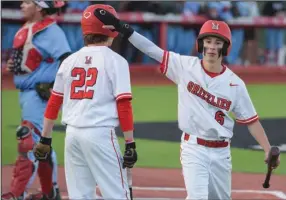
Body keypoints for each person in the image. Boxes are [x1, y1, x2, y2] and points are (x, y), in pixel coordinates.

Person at [94, 9, 281, 199]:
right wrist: (124, 29)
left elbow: (251, 120)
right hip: (194, 148)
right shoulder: (184, 66)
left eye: (217, 43)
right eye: (208, 41)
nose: (212, 47)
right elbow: (152, 50)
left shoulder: (235, 83)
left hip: (222, 152)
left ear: (225, 48)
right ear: (201, 44)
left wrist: (267, 149)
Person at [33, 4, 138, 200]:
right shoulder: (116, 61)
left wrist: (45, 139)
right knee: (118, 195)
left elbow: (54, 102)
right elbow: (123, 105)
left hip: (72, 136)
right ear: (111, 28)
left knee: (80, 196)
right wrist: (130, 143)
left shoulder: (69, 61)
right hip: (100, 135)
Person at [1, 1, 71, 200]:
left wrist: (55, 86)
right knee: (40, 141)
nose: (22, 5)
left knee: (27, 138)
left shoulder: (51, 31)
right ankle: (51, 192)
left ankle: (17, 193)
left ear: (39, 7)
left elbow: (67, 60)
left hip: (39, 93)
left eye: (27, 2)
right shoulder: (27, 28)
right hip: (26, 92)